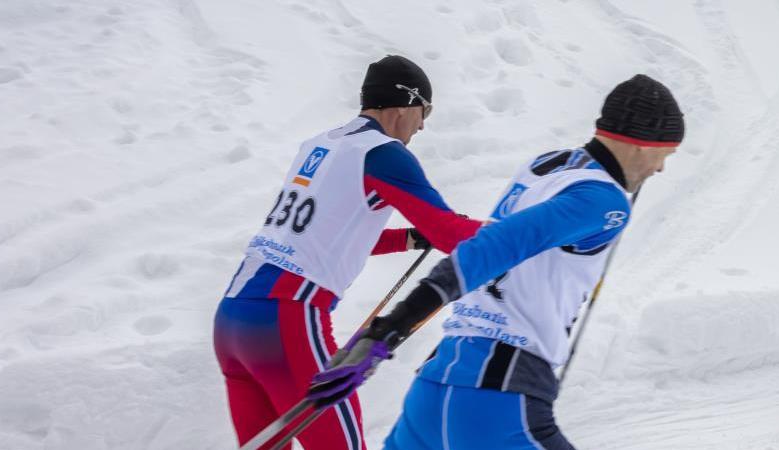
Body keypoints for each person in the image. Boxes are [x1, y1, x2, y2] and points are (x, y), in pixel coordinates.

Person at [304, 74, 686, 450]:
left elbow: (492, 248)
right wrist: (390, 329)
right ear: (642, 145)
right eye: (665, 154)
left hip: (436, 386)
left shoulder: (546, 167)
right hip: (498, 397)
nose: (660, 169)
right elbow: (493, 247)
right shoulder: (603, 201)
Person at [212, 55, 484, 450]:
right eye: (425, 111)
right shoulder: (384, 153)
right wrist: (524, 233)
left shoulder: (320, 144)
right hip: (285, 319)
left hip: (233, 319)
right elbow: (448, 232)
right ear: (405, 103)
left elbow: (323, 234)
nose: (422, 125)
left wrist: (408, 238)